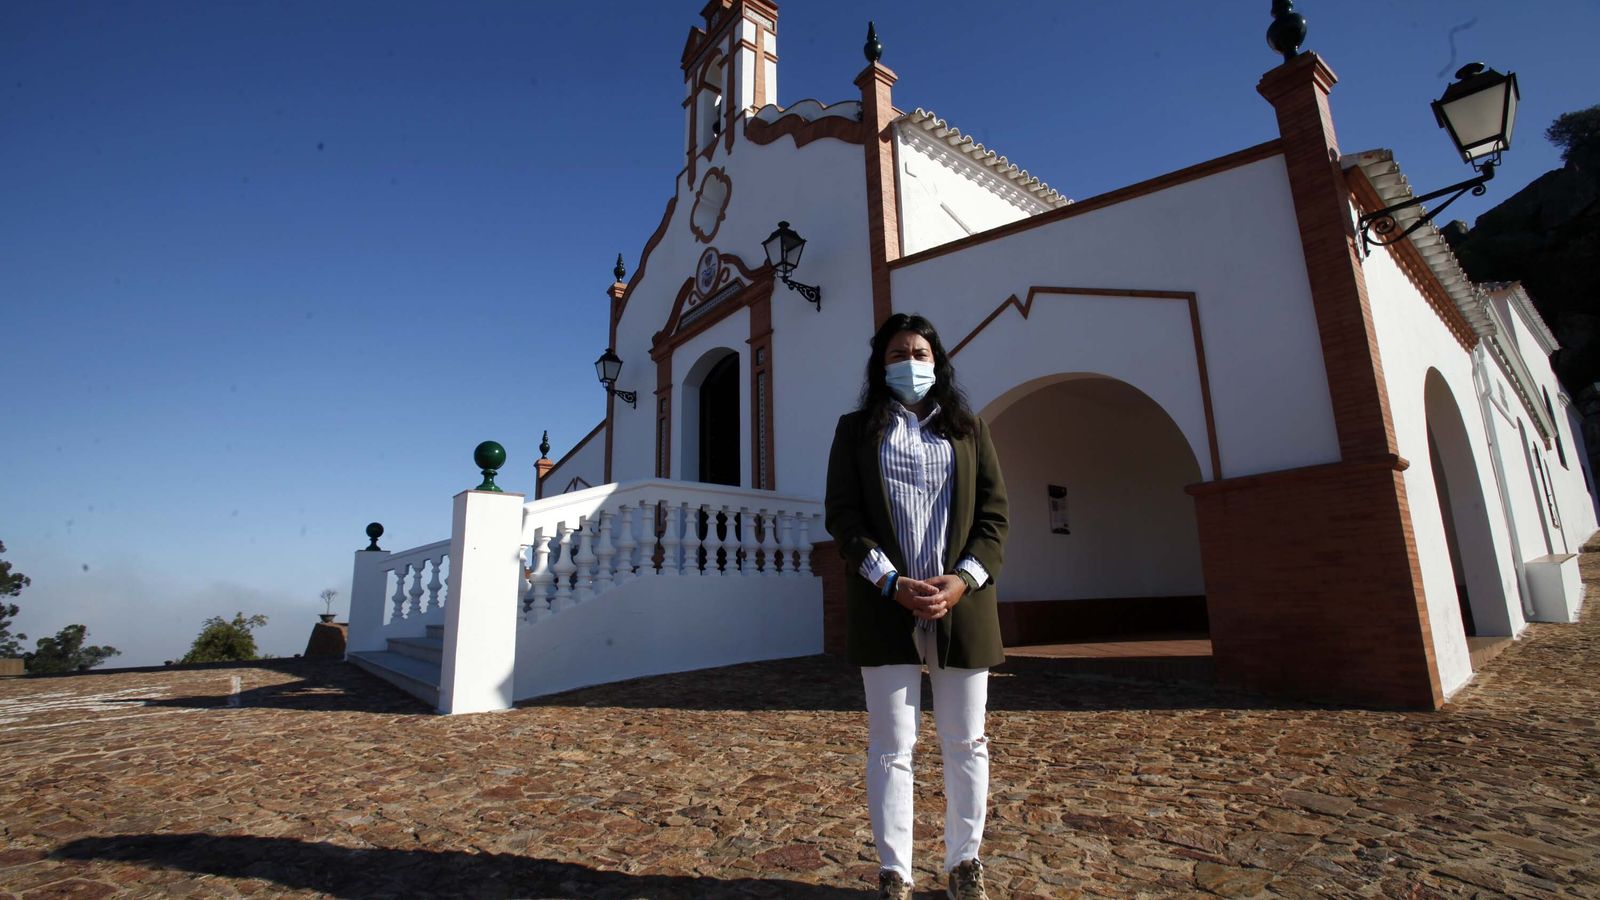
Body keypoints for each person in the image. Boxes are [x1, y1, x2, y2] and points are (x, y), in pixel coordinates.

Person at [824, 313, 1009, 900]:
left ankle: (964, 862)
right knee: (891, 745)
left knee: (967, 740)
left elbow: (994, 517)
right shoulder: (856, 431)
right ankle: (895, 871)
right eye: (898, 353)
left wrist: (962, 581)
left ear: (938, 362)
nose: (910, 362)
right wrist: (890, 581)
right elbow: (844, 517)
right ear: (880, 365)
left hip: (961, 608)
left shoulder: (970, 430)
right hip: (886, 606)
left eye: (920, 353)